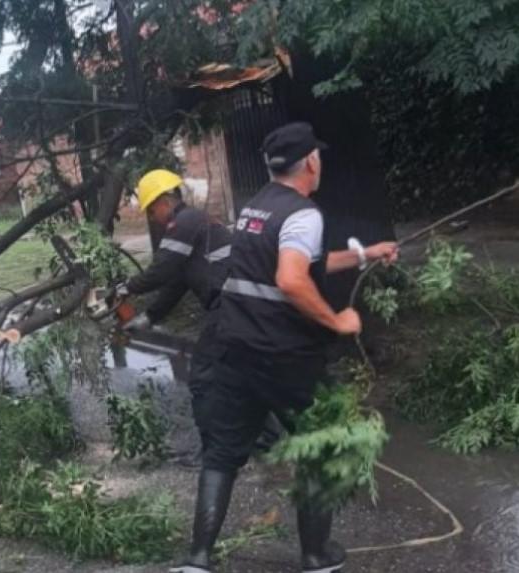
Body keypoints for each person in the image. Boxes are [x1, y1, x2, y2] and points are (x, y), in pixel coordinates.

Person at [172, 122, 398, 573]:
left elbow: (300, 262)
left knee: (222, 453)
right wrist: (338, 320)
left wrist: (365, 253)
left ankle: (197, 559)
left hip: (234, 348)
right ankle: (315, 556)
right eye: (319, 157)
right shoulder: (303, 213)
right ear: (311, 161)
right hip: (283, 356)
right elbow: (292, 279)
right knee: (318, 445)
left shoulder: (255, 208)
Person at [115, 169, 232, 330]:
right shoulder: (192, 219)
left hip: (229, 303)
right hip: (231, 302)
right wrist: (150, 316)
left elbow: (160, 271)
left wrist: (127, 288)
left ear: (166, 202)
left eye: (151, 210)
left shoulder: (182, 224)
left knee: (209, 354)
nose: (151, 217)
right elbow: (177, 283)